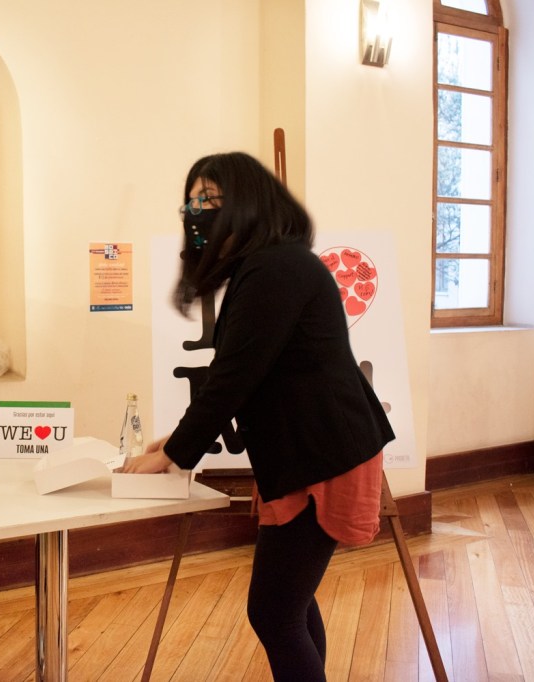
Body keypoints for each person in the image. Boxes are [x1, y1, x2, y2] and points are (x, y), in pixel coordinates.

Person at [123, 152, 394, 681]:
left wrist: (176, 453)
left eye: (210, 200)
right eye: (192, 202)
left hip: (325, 456)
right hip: (307, 453)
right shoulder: (268, 266)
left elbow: (234, 377)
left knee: (274, 612)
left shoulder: (277, 267)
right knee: (289, 606)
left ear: (248, 203)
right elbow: (248, 375)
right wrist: (174, 441)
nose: (197, 213)